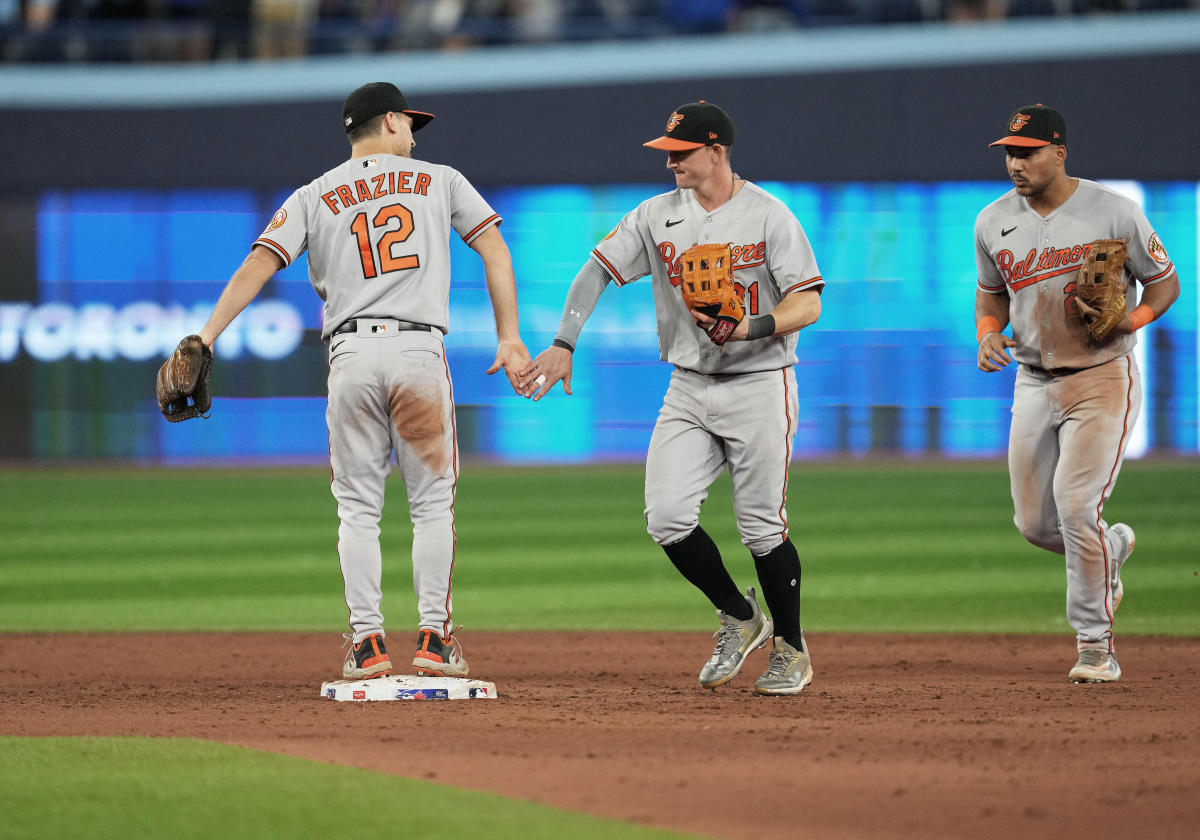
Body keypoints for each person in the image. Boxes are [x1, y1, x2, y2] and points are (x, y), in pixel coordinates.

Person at [189, 82, 536, 681]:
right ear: (393, 122)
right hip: (418, 352)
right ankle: (435, 637)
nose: (415, 135)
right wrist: (509, 335)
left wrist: (205, 337)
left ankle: (367, 644)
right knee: (432, 506)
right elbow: (495, 251)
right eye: (411, 124)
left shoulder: (314, 193)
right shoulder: (441, 179)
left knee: (357, 510)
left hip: (350, 354)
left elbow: (258, 264)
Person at [531, 101, 824, 695]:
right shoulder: (654, 215)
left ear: (716, 151)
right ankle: (741, 618)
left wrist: (749, 327)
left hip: (761, 383)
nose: (671, 164)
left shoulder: (770, 215)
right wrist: (564, 341)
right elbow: (594, 272)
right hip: (688, 386)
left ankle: (792, 651)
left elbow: (809, 302)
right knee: (666, 518)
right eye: (667, 154)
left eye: (681, 153)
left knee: (762, 528)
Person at [974, 104, 1179, 683]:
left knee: (1075, 508)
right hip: (1033, 380)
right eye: (1011, 152)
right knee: (1036, 525)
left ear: (1060, 152)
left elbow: (1165, 283)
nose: (1016, 163)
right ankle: (1106, 551)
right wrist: (988, 333)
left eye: (1029, 151)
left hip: (1101, 377)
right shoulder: (992, 221)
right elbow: (990, 294)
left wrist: (1132, 320)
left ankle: (1096, 645)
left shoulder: (1114, 211)